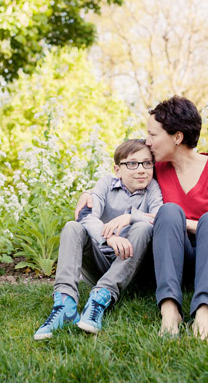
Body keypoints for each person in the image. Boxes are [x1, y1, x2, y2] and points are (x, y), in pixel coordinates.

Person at [75, 96, 208, 340]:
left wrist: (182, 224)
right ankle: (169, 310)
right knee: (168, 211)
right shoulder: (156, 171)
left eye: (153, 135)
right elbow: (123, 179)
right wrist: (89, 193)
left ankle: (204, 312)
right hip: (180, 260)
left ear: (177, 137)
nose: (147, 141)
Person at [34, 139, 163, 340]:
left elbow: (159, 217)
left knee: (144, 226)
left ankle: (100, 298)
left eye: (147, 163)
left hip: (130, 266)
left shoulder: (152, 189)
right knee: (72, 226)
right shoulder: (106, 184)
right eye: (132, 163)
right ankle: (65, 304)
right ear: (117, 169)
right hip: (99, 262)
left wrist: (130, 216)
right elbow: (86, 215)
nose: (141, 170)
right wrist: (109, 237)